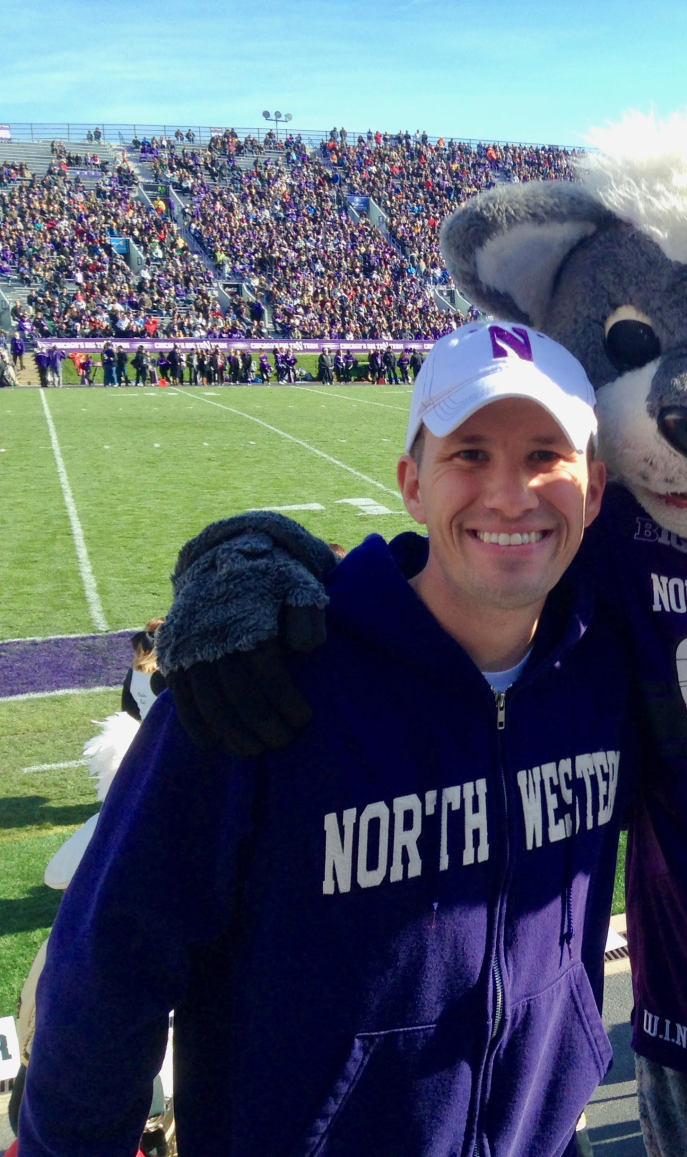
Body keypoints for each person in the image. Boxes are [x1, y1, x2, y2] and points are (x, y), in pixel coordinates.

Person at [19, 322, 636, 1157]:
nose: (510, 493)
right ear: (412, 484)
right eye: (470, 455)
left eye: (544, 456)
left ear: (594, 491)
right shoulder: (269, 671)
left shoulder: (606, 675)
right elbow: (109, 963)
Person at [120, 618, 166, 721]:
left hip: (148, 730)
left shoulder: (132, 673)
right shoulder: (165, 675)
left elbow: (129, 710)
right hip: (169, 732)